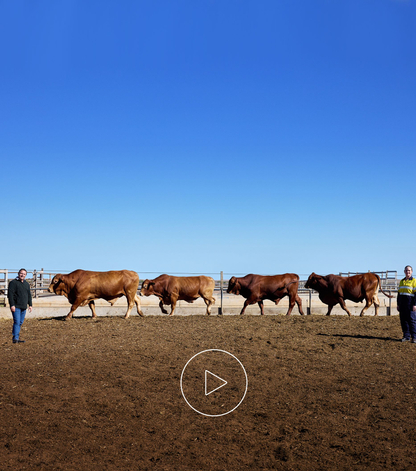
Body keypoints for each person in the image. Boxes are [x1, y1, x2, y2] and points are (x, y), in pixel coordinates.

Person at [7, 268, 32, 344]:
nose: (22, 275)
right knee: (17, 322)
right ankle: (15, 338)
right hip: (16, 306)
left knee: (20, 322)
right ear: (18, 273)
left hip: (23, 306)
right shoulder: (13, 283)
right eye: (21, 273)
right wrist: (12, 305)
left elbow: (29, 295)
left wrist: (30, 305)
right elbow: (10, 295)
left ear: (26, 275)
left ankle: (16, 336)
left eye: (24, 274)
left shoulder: (26, 284)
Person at [397, 265, 416, 343]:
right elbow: (399, 294)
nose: (408, 272)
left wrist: (415, 304)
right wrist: (398, 304)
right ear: (404, 272)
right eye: (406, 270)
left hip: (410, 304)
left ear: (411, 272)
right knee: (403, 321)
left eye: (409, 270)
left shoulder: (414, 281)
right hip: (402, 304)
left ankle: (414, 337)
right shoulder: (402, 281)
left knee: (412, 321)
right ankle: (406, 336)